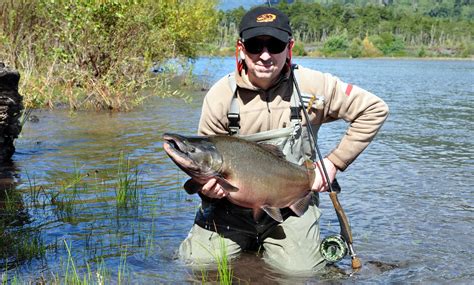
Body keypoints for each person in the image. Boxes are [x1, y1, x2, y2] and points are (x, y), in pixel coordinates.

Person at [178, 6, 388, 275]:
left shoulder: (315, 86)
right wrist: (207, 192)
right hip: (232, 209)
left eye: (275, 45)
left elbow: (374, 109)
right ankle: (252, 254)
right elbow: (205, 161)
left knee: (301, 273)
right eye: (255, 45)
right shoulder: (220, 96)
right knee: (196, 265)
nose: (265, 56)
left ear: (289, 47)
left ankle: (273, 249)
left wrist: (335, 163)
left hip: (291, 203)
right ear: (241, 48)